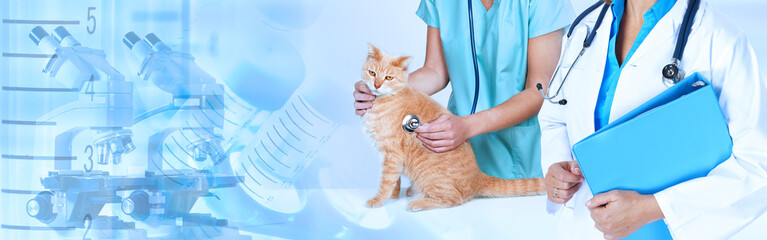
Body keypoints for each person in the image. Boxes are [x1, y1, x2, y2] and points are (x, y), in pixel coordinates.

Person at [540, 0, 767, 239]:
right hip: (582, 229)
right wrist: (558, 166)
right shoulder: (587, 27)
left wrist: (652, 207)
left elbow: (757, 166)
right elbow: (555, 116)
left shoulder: (718, 38)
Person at [354, 0, 574, 179]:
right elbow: (435, 72)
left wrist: (467, 126)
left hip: (525, 157)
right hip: (459, 155)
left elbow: (540, 90)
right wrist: (385, 91)